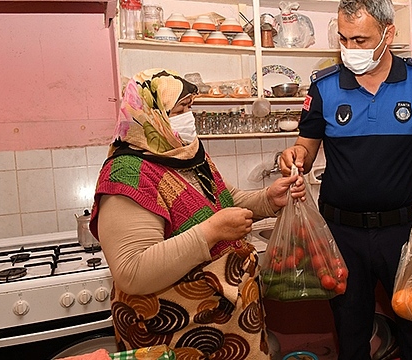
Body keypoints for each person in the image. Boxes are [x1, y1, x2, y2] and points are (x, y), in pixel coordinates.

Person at [278, 0, 412, 359]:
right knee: (350, 332)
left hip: (405, 233)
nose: (350, 49)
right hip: (342, 235)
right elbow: (305, 149)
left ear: (389, 34)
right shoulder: (324, 87)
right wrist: (294, 158)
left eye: (360, 40)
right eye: (343, 39)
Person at [89, 68, 305, 358]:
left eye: (189, 107)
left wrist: (268, 199)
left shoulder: (185, 154)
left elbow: (224, 199)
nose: (188, 117)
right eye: (181, 109)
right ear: (152, 114)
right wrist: (212, 232)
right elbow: (132, 272)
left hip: (224, 323)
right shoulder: (127, 173)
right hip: (174, 330)